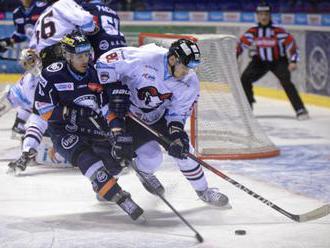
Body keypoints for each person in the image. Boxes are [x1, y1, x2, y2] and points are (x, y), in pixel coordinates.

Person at [8, 32, 143, 220]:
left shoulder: (96, 73)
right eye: (79, 56)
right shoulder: (52, 75)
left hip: (92, 126)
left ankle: (104, 184)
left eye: (87, 54)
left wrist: (117, 131)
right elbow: (43, 111)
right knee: (85, 158)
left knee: (116, 159)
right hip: (63, 129)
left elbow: (106, 108)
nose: (84, 59)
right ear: (68, 56)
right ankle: (117, 194)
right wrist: (72, 114)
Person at [96, 39, 230, 207]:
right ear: (173, 59)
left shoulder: (189, 82)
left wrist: (177, 135)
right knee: (147, 156)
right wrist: (114, 90)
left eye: (191, 68)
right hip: (129, 116)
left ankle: (204, 191)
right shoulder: (144, 58)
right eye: (185, 66)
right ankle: (107, 185)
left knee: (185, 151)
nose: (188, 72)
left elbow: (177, 113)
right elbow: (104, 62)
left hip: (160, 117)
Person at [237, 1, 309, 120]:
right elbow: (240, 46)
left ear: (270, 15)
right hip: (260, 61)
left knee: (286, 81)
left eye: (266, 14)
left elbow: (291, 44)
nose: (264, 17)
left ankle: (300, 109)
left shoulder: (278, 31)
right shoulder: (253, 32)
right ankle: (248, 108)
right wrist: (233, 58)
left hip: (278, 61)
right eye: (261, 14)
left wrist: (293, 61)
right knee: (245, 78)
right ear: (257, 16)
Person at [0, 0, 49, 135]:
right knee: (33, 88)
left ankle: (20, 122)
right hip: (35, 55)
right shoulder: (17, 13)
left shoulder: (44, 7)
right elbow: (20, 34)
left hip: (46, 53)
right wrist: (7, 42)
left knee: (33, 89)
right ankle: (21, 122)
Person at [29, 0, 99, 67]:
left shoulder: (43, 14)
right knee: (83, 43)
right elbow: (85, 19)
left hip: (42, 60)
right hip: (62, 53)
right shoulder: (63, 2)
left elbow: (32, 48)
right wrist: (92, 28)